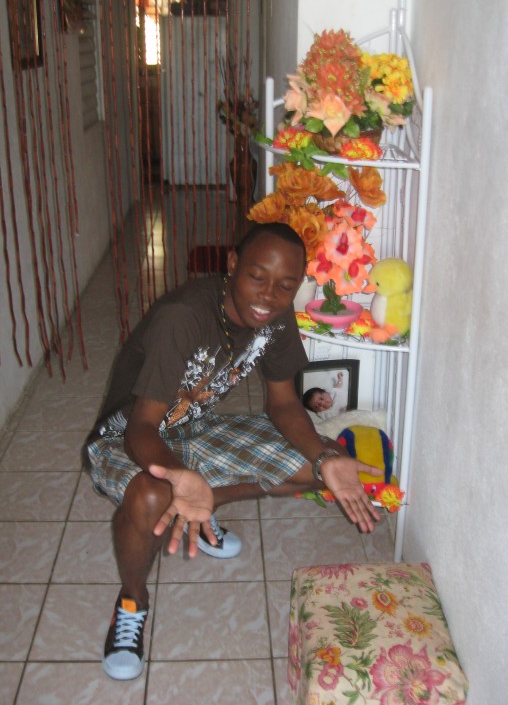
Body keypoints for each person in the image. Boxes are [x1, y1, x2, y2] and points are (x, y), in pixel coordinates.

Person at [84, 222, 381, 681]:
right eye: (257, 277)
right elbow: (141, 427)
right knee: (152, 495)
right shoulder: (183, 317)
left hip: (194, 426)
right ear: (233, 264)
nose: (269, 296)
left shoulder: (276, 315)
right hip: (127, 436)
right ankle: (132, 600)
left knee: (318, 465)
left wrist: (326, 458)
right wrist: (182, 477)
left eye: (285, 285)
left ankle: (200, 511)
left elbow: (284, 405)